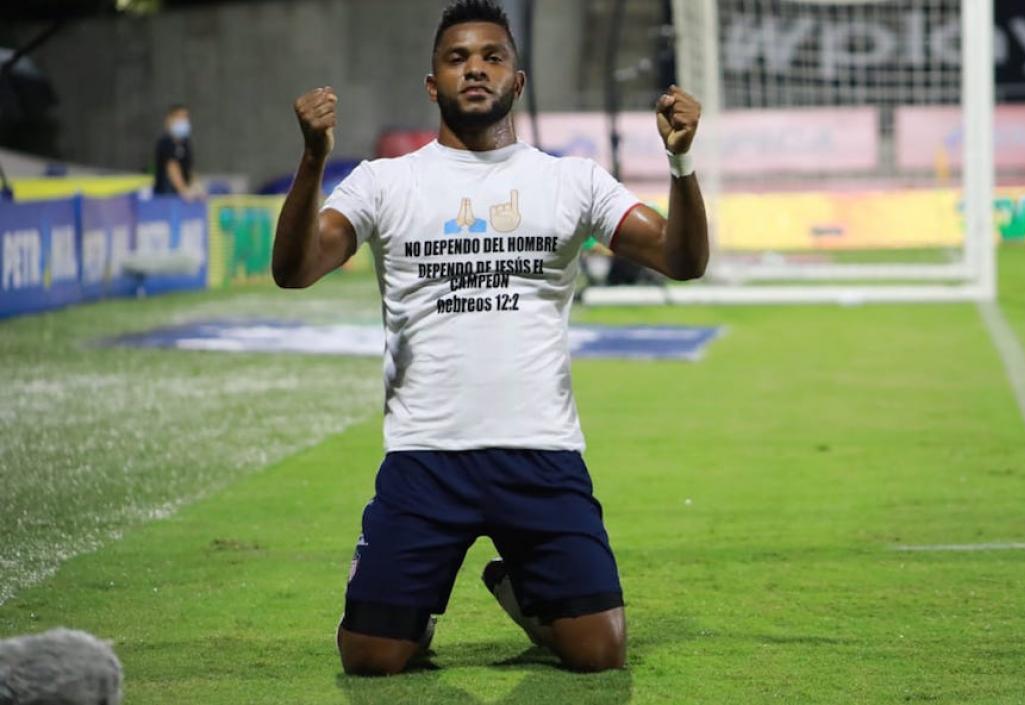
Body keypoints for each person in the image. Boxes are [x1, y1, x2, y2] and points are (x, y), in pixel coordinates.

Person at [272, 0, 707, 676]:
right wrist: (312, 160)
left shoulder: (571, 179)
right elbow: (294, 269)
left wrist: (681, 165)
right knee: (370, 657)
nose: (474, 68)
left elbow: (682, 259)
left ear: (518, 81)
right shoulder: (386, 182)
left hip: (541, 454)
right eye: (456, 58)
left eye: (491, 57)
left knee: (600, 652)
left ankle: (521, 587)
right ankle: (406, 609)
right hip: (426, 456)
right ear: (432, 84)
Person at [152, 104, 198, 199]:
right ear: (170, 119)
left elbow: (189, 169)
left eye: (185, 117)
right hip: (166, 196)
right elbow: (172, 168)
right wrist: (184, 191)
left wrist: (197, 187)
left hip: (181, 196)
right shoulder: (166, 142)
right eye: (179, 117)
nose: (183, 120)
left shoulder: (185, 143)